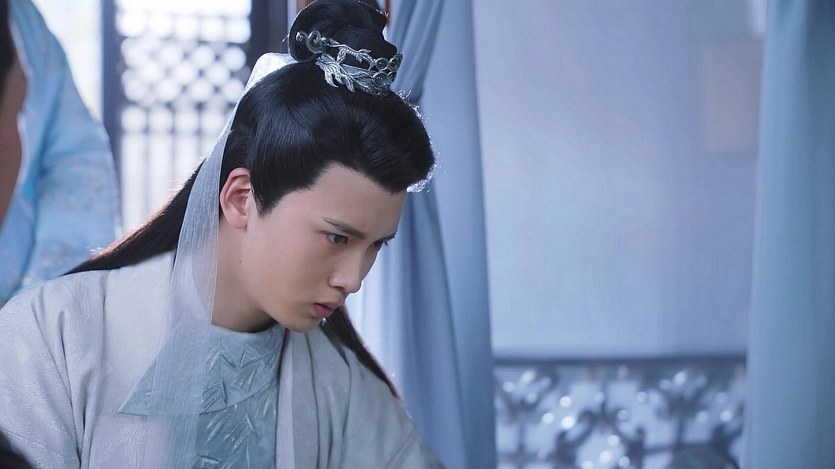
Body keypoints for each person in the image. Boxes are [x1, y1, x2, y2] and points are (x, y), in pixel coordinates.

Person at [0, 0, 445, 467]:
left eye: (376, 245)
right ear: (240, 198)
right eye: (337, 238)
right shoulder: (54, 336)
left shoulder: (343, 388)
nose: (353, 280)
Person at [0, 0, 119, 307]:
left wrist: (36, 304)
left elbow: (78, 164)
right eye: (19, 112)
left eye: (24, 112)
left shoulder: (27, 29)